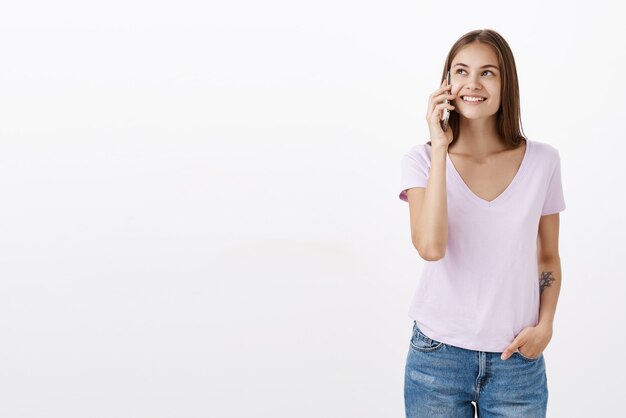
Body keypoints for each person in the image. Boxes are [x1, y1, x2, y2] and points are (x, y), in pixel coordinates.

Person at [398, 29, 565, 418]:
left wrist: (546, 326)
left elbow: (549, 256)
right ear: (447, 82)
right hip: (435, 359)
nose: (472, 84)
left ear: (507, 83)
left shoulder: (543, 161)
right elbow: (431, 247)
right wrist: (440, 148)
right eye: (461, 71)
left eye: (487, 73)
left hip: (516, 361)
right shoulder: (420, 160)